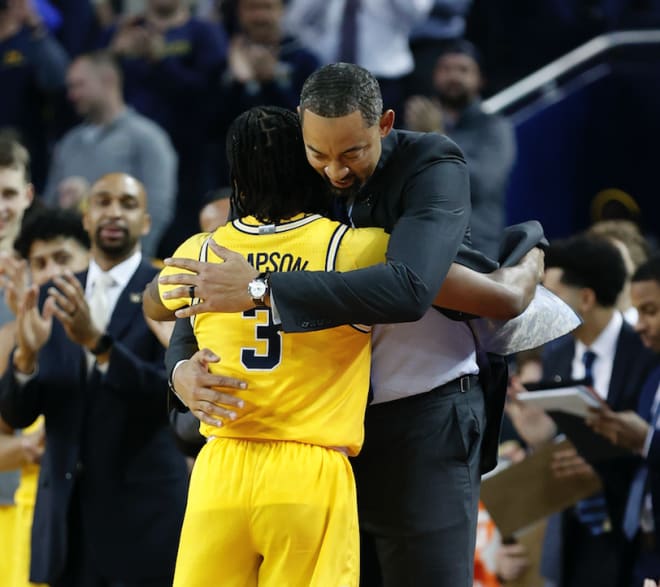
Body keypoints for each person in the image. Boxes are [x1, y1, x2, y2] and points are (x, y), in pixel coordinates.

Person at [156, 63, 545, 586]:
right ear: (301, 128)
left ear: (384, 125)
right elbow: (186, 291)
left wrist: (261, 289)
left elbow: (411, 288)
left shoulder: (431, 163)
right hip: (324, 438)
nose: (335, 172)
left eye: (352, 154)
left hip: (421, 421)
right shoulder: (299, 170)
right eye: (319, 154)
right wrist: (180, 365)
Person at [0, 172, 189, 586]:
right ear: (86, 220)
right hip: (67, 526)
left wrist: (98, 344)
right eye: (102, 202)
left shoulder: (168, 292)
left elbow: (174, 394)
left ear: (146, 223)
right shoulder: (53, 294)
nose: (113, 212)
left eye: (126, 203)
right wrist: (26, 357)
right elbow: (18, 412)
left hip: (145, 523)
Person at [509, 234, 657, 587]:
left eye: (551, 292)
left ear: (587, 298)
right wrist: (539, 440)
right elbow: (555, 440)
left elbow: (648, 441)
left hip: (633, 536)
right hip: (570, 533)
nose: (539, 303)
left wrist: (604, 466)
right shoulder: (555, 355)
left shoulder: (646, 349)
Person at [0, 206, 90, 587]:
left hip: (128, 515)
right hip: (38, 511)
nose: (53, 273)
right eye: (41, 263)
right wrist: (27, 448)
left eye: (63, 259)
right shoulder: (16, 341)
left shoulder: (130, 319)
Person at [43, 51, 178, 258]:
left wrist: (129, 261)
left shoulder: (148, 138)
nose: (71, 95)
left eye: (78, 85)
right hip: (72, 265)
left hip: (127, 264)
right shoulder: (68, 142)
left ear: (108, 80)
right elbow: (49, 207)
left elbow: (159, 209)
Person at [404, 40, 516, 258]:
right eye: (445, 69)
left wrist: (436, 136)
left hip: (475, 247)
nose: (453, 76)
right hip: (422, 242)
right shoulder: (417, 125)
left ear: (480, 79)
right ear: (434, 75)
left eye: (463, 70)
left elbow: (480, 184)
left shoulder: (495, 128)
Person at [586, 255, 660, 586]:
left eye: (650, 311)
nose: (639, 324)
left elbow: (649, 445)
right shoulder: (652, 377)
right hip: (643, 554)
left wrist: (646, 440)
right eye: (637, 311)